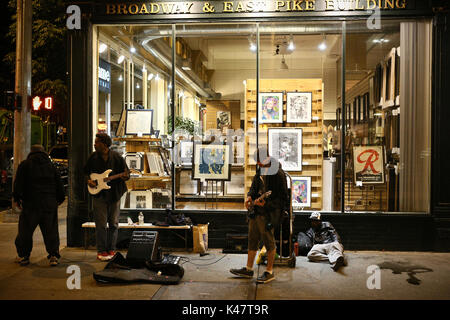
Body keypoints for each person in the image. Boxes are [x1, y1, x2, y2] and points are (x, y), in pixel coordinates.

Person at [230, 147, 289, 283]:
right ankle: (249, 269)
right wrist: (249, 197)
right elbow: (254, 187)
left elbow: (283, 199)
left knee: (269, 242)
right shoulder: (260, 170)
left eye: (260, 162)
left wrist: (266, 205)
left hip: (269, 214)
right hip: (256, 213)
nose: (259, 165)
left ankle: (269, 271)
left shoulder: (279, 174)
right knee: (252, 239)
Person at [13, 145, 66, 266]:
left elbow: (18, 184)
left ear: (31, 153)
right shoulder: (51, 166)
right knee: (51, 231)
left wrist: (17, 199)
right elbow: (59, 184)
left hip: (31, 203)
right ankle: (53, 256)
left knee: (25, 231)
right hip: (49, 203)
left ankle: (24, 256)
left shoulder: (25, 165)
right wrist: (59, 199)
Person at [84, 133, 130, 261]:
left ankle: (111, 249)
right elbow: (85, 172)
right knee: (101, 224)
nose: (94, 144)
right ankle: (101, 250)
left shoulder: (116, 157)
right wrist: (89, 181)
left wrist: (125, 176)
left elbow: (127, 174)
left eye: (97, 142)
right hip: (99, 194)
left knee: (114, 224)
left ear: (104, 144)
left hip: (114, 194)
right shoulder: (93, 157)